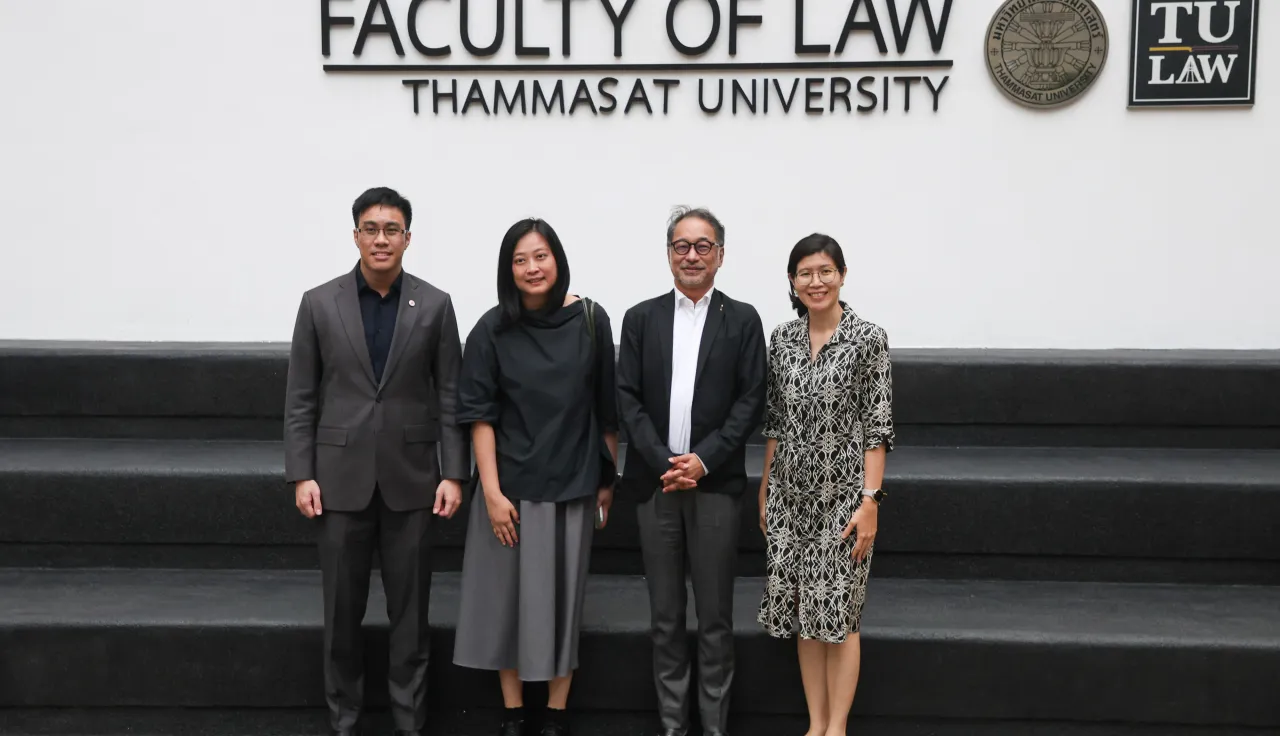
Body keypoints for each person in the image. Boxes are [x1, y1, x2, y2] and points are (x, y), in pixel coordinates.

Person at [284, 187, 470, 736]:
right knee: (342, 617)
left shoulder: (435, 304)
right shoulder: (320, 302)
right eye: (371, 228)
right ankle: (344, 722)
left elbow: (452, 395)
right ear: (356, 235)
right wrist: (302, 473)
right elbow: (301, 397)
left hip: (413, 482)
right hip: (336, 483)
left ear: (408, 238)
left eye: (392, 229)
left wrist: (454, 473)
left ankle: (410, 723)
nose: (381, 238)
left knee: (410, 620)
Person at [452, 218, 619, 736]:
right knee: (507, 607)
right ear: (508, 269)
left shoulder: (591, 319)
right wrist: (493, 494)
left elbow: (605, 410)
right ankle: (512, 713)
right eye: (520, 260)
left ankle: (555, 715)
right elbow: (479, 416)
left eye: (540, 256)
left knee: (561, 606)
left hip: (572, 485)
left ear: (558, 259)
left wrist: (607, 483)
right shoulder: (490, 329)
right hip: (509, 493)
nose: (532, 268)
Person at [616, 206, 768, 736]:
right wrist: (665, 461)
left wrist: (702, 461)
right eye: (682, 246)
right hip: (654, 485)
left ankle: (715, 727)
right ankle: (674, 727)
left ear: (720, 255)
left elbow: (750, 402)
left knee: (715, 620)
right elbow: (626, 399)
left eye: (703, 246)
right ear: (668, 255)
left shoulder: (743, 319)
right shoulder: (640, 318)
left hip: (716, 486)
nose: (692, 255)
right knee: (665, 620)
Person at [756, 233, 894, 736]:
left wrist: (871, 502)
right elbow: (775, 419)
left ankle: (837, 728)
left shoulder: (868, 338)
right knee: (804, 614)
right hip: (791, 498)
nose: (815, 281)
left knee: (841, 615)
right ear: (792, 281)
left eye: (825, 271)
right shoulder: (783, 339)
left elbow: (877, 426)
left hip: (844, 501)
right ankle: (815, 725)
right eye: (805, 273)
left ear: (842, 274)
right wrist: (766, 487)